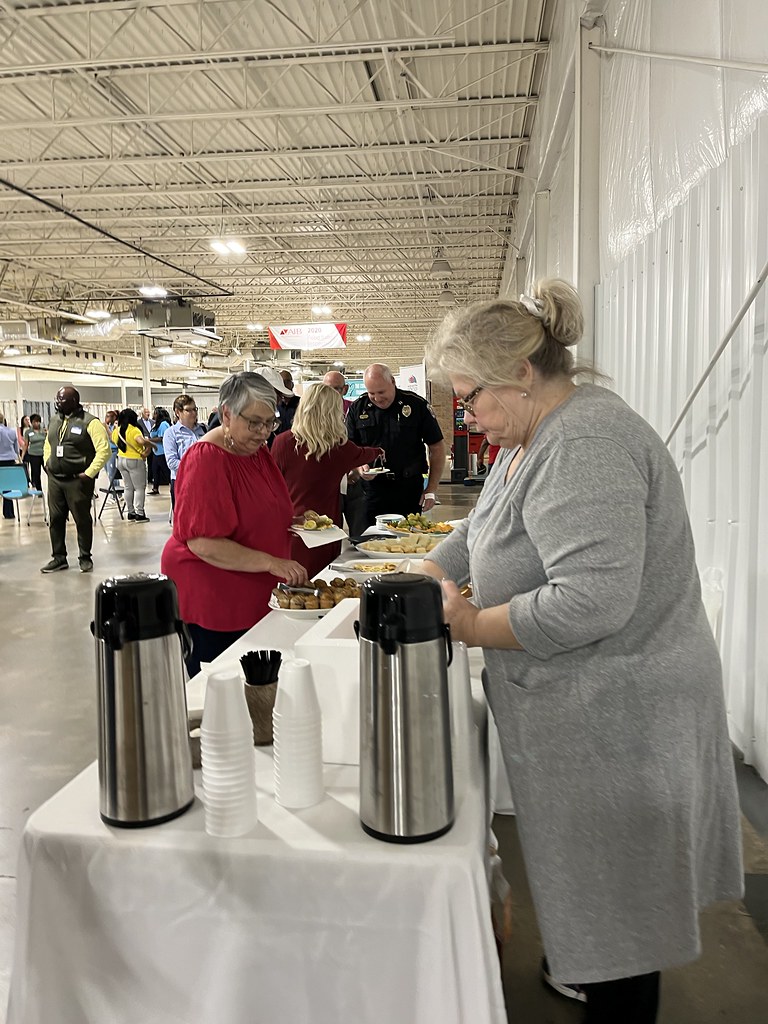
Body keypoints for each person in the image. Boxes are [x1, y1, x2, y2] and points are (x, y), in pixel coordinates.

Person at [421, 281, 743, 1024]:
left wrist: (471, 625)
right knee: (602, 900)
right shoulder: (530, 436)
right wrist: (432, 570)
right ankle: (590, 967)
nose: (469, 416)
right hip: (586, 711)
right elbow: (480, 532)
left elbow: (591, 600)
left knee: (622, 917)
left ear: (522, 374)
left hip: (621, 717)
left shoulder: (585, 443)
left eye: (473, 397)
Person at [161, 372, 308, 676]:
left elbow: (258, 505)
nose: (263, 432)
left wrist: (289, 519)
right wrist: (271, 562)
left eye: (270, 423)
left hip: (252, 589)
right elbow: (204, 543)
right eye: (254, 422)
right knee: (227, 686)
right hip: (214, 594)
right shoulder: (207, 459)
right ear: (226, 414)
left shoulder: (254, 450)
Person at [271, 383, 384, 575]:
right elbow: (364, 454)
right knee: (325, 587)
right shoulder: (339, 448)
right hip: (327, 532)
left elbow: (271, 488)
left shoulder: (282, 442)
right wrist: (379, 451)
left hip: (292, 530)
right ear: (333, 412)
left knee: (294, 590)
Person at [346, 363, 445, 525]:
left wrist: (431, 489)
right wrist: (359, 467)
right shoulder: (358, 408)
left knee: (408, 542)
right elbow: (350, 448)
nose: (377, 398)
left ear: (393, 382)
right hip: (371, 491)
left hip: (408, 489)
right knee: (369, 541)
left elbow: (437, 448)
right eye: (372, 393)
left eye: (381, 392)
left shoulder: (416, 405)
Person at [41, 386, 111, 573]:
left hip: (77, 480)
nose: (57, 403)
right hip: (55, 479)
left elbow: (104, 450)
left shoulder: (91, 422)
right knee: (55, 518)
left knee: (82, 519)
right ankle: (58, 557)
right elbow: (48, 444)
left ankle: (85, 557)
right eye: (57, 399)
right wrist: (47, 461)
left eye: (61, 400)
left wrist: (89, 473)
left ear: (73, 402)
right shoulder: (55, 419)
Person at [323, 369, 365, 534]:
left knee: (360, 532)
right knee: (329, 535)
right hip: (328, 484)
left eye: (337, 389)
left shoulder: (354, 410)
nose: (331, 393)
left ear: (345, 389)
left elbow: (359, 444)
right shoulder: (313, 414)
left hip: (354, 481)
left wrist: (357, 468)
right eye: (327, 388)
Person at [163, 394, 205, 509]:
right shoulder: (171, 433)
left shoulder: (203, 429)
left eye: (194, 409)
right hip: (182, 482)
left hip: (203, 481)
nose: (193, 413)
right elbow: (172, 462)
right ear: (178, 412)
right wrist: (194, 466)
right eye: (188, 410)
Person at [112, 409, 153, 522]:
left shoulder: (118, 430)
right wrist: (149, 444)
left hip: (121, 460)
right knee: (139, 488)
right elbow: (141, 441)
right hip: (135, 461)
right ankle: (140, 513)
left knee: (128, 487)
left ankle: (130, 512)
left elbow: (113, 439)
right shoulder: (134, 430)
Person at [0, 412, 21, 519]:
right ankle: (9, 512)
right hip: (10, 459)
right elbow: (17, 449)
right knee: (7, 487)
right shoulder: (12, 431)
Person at [148, 407, 172, 495]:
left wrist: (149, 440)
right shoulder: (156, 424)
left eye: (155, 413)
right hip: (156, 451)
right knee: (155, 470)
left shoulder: (163, 424)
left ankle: (173, 487)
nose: (153, 415)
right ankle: (155, 488)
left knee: (166, 471)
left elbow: (162, 438)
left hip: (162, 452)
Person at [21, 414, 46, 491]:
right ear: (31, 422)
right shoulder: (28, 432)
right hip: (33, 454)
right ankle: (39, 490)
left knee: (49, 471)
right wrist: (22, 455)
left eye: (38, 422)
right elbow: (26, 444)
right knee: (36, 473)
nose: (37, 424)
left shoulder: (44, 431)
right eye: (35, 422)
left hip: (44, 454)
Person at [274, 368, 300, 435]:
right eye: (281, 382)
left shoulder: (301, 403)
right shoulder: (274, 404)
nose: (284, 385)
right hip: (277, 442)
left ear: (292, 384)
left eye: (287, 381)